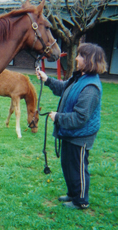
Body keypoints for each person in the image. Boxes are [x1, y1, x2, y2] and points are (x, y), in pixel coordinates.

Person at [36, 43, 107, 209]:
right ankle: (72, 193)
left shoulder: (91, 87)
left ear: (89, 60)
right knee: (68, 165)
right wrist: (47, 79)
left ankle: (81, 201)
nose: (76, 58)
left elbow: (80, 118)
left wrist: (58, 117)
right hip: (70, 133)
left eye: (80, 55)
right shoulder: (79, 77)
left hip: (81, 135)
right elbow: (63, 88)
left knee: (78, 167)